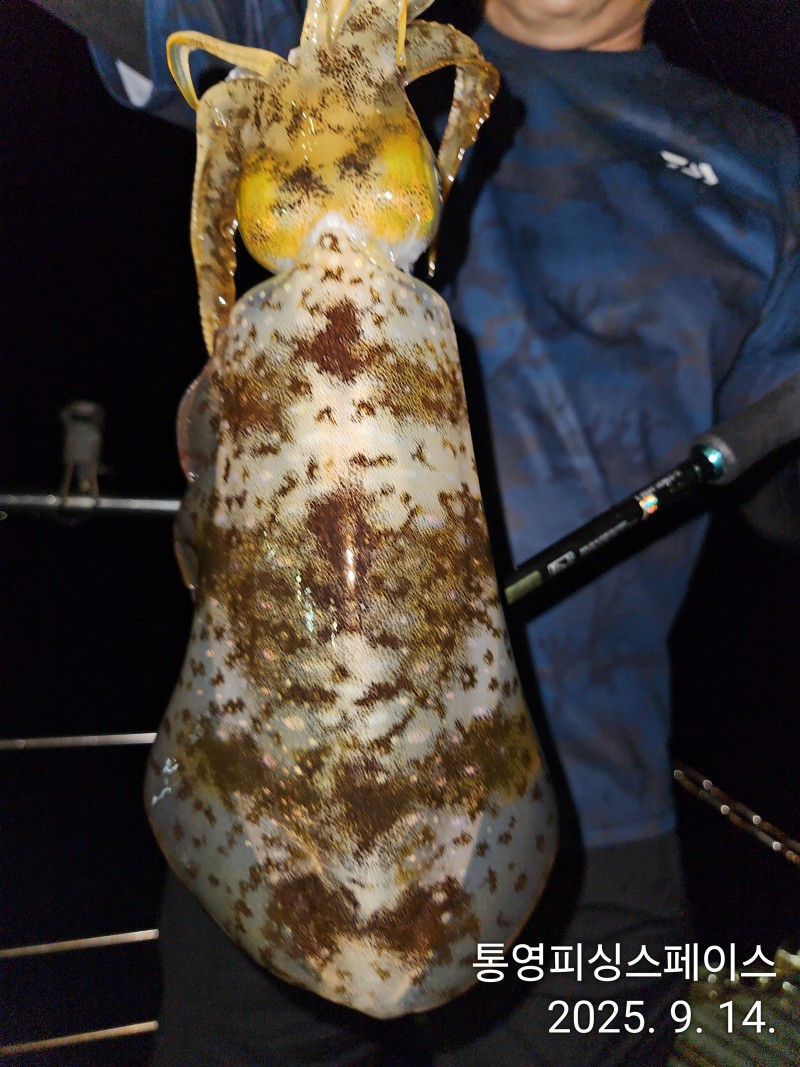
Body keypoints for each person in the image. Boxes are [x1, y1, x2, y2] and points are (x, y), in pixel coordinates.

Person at [31, 1, 800, 1064]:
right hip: (272, 815)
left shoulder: (765, 166)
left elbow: (781, 491)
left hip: (588, 856)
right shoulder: (323, 46)